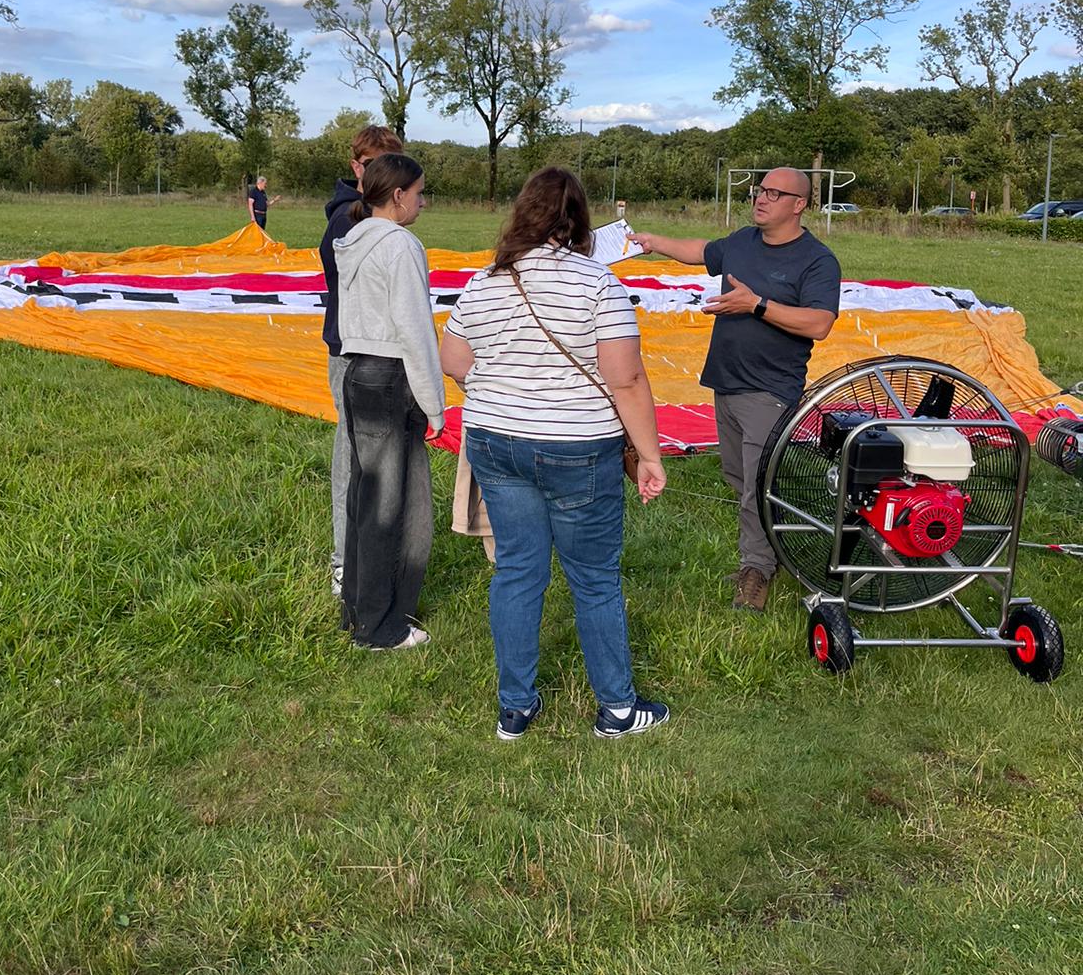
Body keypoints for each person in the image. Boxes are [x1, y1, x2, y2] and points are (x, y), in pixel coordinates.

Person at [440, 167, 669, 741]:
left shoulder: (486, 280)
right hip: (577, 447)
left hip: (495, 440)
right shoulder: (597, 284)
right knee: (593, 578)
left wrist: (505, 391)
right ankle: (617, 708)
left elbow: (452, 358)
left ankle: (514, 706)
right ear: (580, 220)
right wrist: (650, 455)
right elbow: (628, 381)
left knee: (518, 570)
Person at [632, 167, 840, 613]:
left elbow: (820, 324)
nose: (761, 198)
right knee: (741, 478)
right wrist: (653, 243)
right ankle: (775, 547)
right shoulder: (744, 241)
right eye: (759, 190)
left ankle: (757, 570)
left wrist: (757, 305)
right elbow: (701, 251)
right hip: (726, 382)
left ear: (799, 204)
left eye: (774, 193)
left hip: (770, 389)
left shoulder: (816, 260)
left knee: (755, 487)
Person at [334, 153, 444, 650]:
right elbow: (416, 330)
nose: (423, 201)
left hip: (357, 372)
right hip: (391, 375)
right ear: (397, 196)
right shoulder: (400, 245)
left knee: (365, 495)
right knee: (393, 506)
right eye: (419, 193)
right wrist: (435, 402)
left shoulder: (352, 240)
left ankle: (357, 607)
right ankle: (380, 627)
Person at [319, 125, 404, 595]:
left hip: (379, 350)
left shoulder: (374, 217)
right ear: (357, 168)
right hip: (353, 352)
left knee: (379, 455)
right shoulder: (346, 222)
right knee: (353, 454)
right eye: (374, 166)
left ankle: (375, 550)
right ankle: (344, 561)